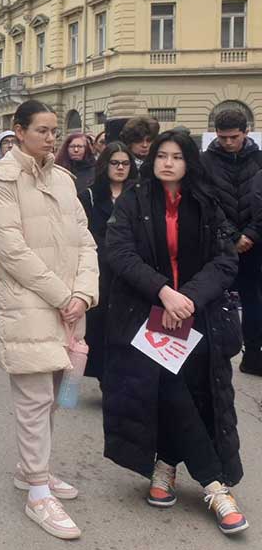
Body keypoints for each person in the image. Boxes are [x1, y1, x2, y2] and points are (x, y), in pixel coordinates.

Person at [103, 130, 247, 536]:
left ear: (189, 162)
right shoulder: (134, 199)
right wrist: (164, 293)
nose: (168, 162)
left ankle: (165, 464)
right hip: (145, 312)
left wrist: (187, 298)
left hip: (197, 313)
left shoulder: (208, 201)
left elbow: (225, 260)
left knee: (194, 390)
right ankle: (215, 486)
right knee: (167, 385)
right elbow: (119, 252)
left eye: (177, 156)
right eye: (162, 155)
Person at [0, 100, 99, 540]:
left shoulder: (64, 181)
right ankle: (37, 493)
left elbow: (87, 241)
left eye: (55, 130)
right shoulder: (1, 181)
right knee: (32, 401)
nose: (52, 138)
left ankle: (34, 471)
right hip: (30, 306)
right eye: (43, 130)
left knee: (53, 397)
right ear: (19, 131)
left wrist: (83, 294)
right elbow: (10, 251)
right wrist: (63, 295)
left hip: (69, 309)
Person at [199, 109, 262, 376]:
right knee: (211, 299)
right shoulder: (205, 162)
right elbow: (207, 202)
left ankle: (254, 354)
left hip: (256, 242)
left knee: (254, 301)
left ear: (245, 133)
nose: (227, 142)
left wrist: (251, 234)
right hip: (219, 243)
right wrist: (232, 236)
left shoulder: (259, 159)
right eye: (222, 137)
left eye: (233, 137)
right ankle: (209, 355)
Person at [78, 142, 137, 383]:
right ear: (105, 165)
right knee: (101, 325)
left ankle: (125, 376)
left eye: (125, 163)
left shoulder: (139, 194)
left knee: (129, 325)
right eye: (115, 163)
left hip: (131, 270)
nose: (120, 168)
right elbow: (83, 233)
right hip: (101, 269)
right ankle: (104, 376)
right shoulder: (90, 196)